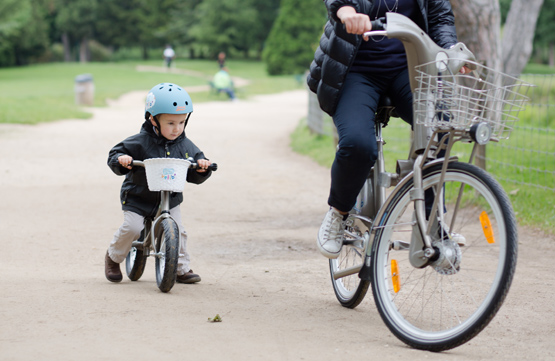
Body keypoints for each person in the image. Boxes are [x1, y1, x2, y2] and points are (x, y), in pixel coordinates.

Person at [307, 0, 469, 259]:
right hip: (354, 70)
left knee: (440, 127)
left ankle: (432, 223)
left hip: (408, 69)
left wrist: (450, 49)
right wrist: (347, 12)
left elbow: (439, 16)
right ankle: (339, 212)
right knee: (358, 145)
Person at [104, 83, 213, 283]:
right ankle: (113, 257)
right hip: (138, 197)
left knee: (179, 230)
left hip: (169, 199)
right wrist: (122, 160)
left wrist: (202, 167)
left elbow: (196, 166)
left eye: (181, 122)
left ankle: (180, 268)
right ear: (153, 119)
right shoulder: (139, 142)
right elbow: (115, 153)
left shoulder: (185, 146)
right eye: (170, 123)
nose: (177, 129)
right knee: (133, 228)